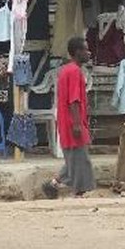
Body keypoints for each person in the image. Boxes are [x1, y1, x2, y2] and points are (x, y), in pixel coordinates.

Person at [42, 37, 96, 199]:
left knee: (75, 158)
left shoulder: (67, 70)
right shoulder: (74, 71)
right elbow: (74, 100)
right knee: (80, 159)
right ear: (78, 52)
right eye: (86, 50)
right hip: (73, 122)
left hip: (69, 121)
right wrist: (77, 124)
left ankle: (53, 184)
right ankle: (78, 191)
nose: (89, 53)